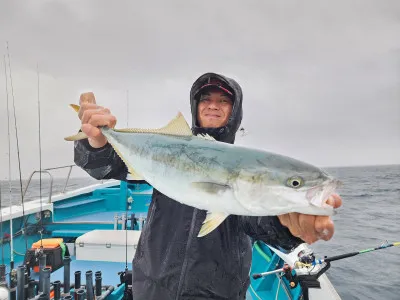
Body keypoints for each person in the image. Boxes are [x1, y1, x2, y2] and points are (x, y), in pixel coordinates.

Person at [73, 72, 342, 300]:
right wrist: (97, 142)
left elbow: (261, 220)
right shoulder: (170, 150)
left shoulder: (246, 166)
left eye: (223, 101)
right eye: (206, 99)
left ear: (234, 111)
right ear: (195, 106)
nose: (213, 105)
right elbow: (106, 166)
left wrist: (287, 226)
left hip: (217, 293)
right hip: (152, 286)